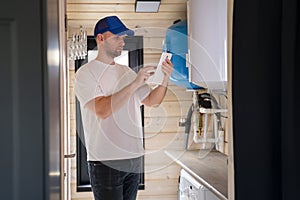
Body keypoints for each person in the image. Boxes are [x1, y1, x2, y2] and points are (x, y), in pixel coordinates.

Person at [74, 15, 174, 200]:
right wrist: (135, 83)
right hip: (106, 162)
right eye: (117, 37)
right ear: (100, 38)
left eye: (123, 38)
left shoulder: (126, 72)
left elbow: (153, 100)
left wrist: (165, 78)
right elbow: (102, 110)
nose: (122, 42)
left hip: (134, 159)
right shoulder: (85, 74)